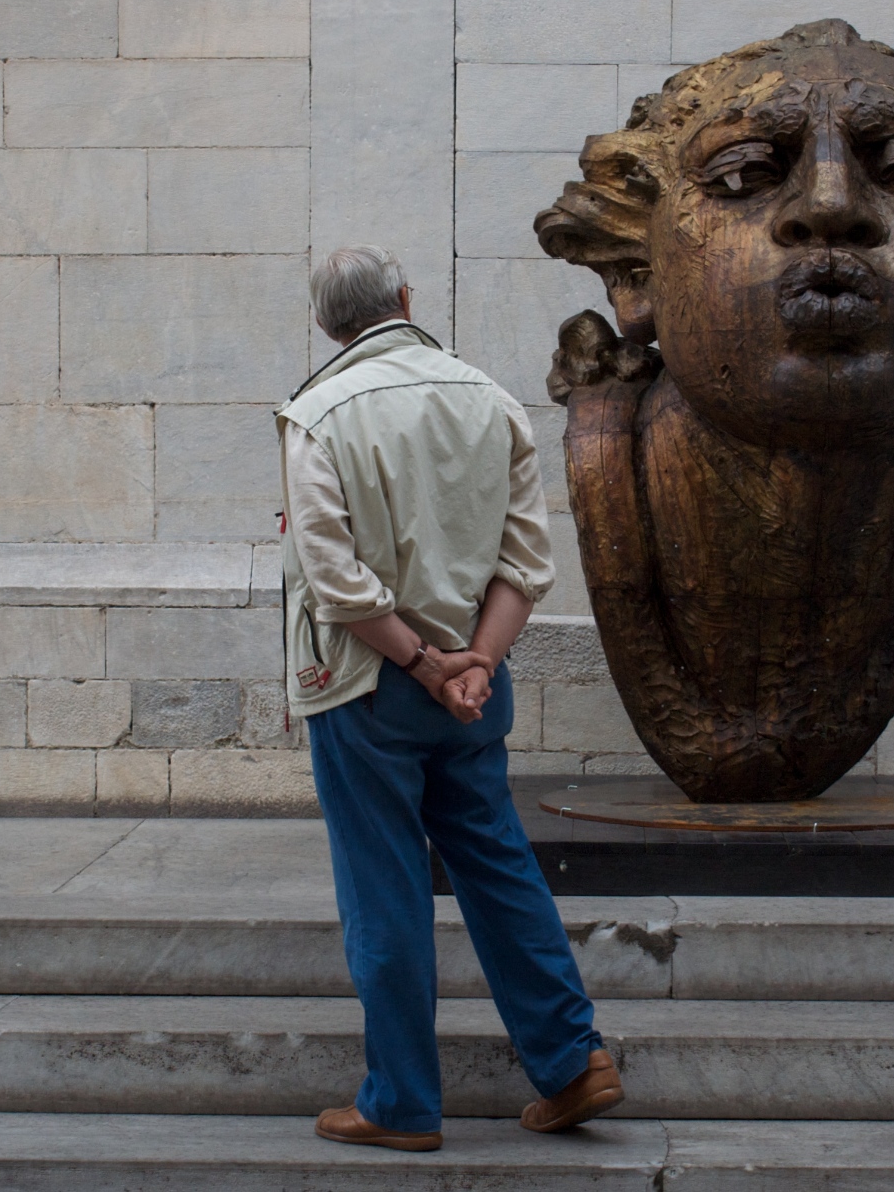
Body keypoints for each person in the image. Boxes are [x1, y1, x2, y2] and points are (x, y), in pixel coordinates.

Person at [279, 245, 626, 1152]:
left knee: (382, 883)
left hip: (364, 682)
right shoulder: (488, 397)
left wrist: (423, 664)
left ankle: (399, 1102)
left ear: (328, 323)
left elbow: (333, 579)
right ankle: (572, 1060)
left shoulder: (316, 415)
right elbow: (527, 562)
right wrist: (472, 662)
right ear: (404, 299)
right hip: (475, 685)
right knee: (497, 863)